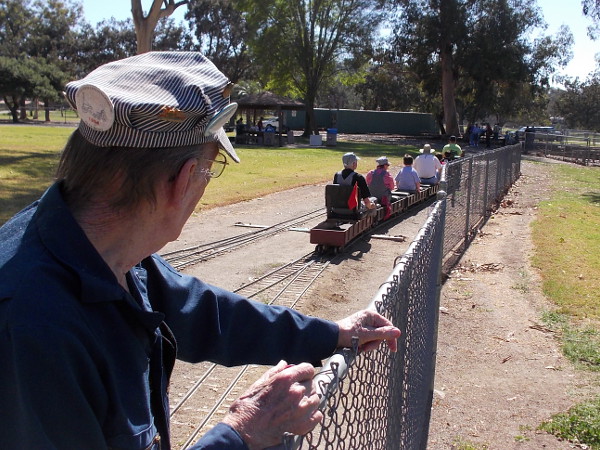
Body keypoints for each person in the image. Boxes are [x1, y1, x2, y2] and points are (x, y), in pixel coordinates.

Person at [0, 52, 400, 450]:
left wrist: (331, 334)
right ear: (184, 180)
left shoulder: (102, 249)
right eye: (210, 170)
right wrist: (240, 434)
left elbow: (204, 312)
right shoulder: (32, 328)